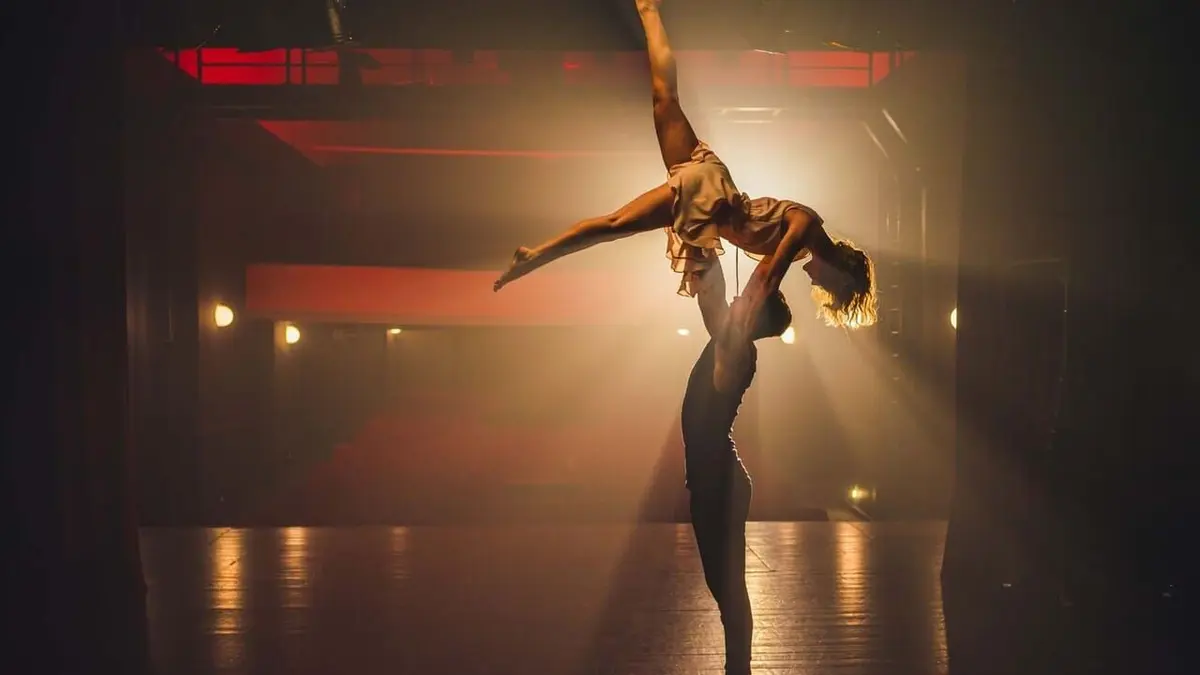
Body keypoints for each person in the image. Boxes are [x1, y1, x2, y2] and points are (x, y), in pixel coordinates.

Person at [493, 0, 878, 329]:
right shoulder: (806, 227)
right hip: (709, 199)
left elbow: (763, 272)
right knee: (616, 224)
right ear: (842, 273)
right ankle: (535, 256)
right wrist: (742, 326)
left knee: (665, 99)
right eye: (829, 287)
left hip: (712, 184)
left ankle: (648, 8)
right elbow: (767, 277)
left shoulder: (803, 247)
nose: (818, 286)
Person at [682, 254, 790, 675]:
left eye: (749, 298)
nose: (740, 298)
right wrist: (704, 247)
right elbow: (710, 298)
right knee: (723, 588)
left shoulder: (736, 349)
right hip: (715, 482)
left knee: (728, 590)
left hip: (721, 485)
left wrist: (706, 243)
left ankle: (738, 670)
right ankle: (737, 668)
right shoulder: (731, 342)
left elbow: (712, 297)